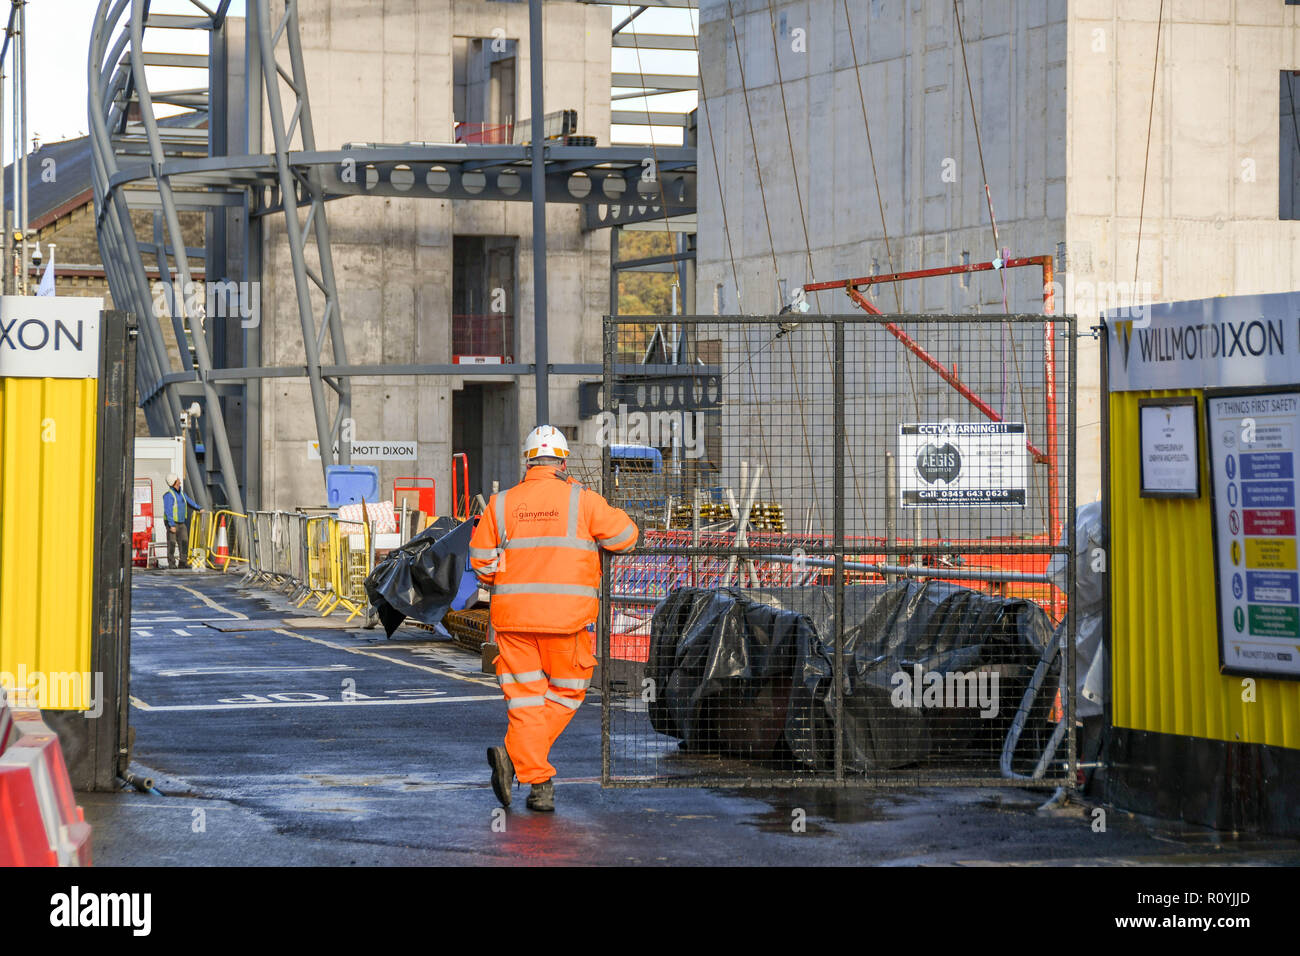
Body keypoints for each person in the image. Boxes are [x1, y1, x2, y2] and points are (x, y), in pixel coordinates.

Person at [470, 425, 638, 812]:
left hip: (513, 623)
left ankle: (530, 774)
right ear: (563, 462)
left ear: (528, 461)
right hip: (568, 623)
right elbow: (626, 537)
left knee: (525, 703)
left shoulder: (501, 503)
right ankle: (532, 775)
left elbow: (481, 562)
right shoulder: (583, 500)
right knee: (564, 694)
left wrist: (506, 576)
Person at [162, 473, 200, 570]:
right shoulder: (168, 495)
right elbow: (168, 510)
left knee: (184, 542)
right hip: (172, 523)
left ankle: (183, 563)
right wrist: (171, 525)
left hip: (181, 522)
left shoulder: (181, 493)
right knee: (172, 543)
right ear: (174, 482)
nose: (179, 480)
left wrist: (199, 508)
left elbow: (189, 501)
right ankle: (172, 563)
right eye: (177, 479)